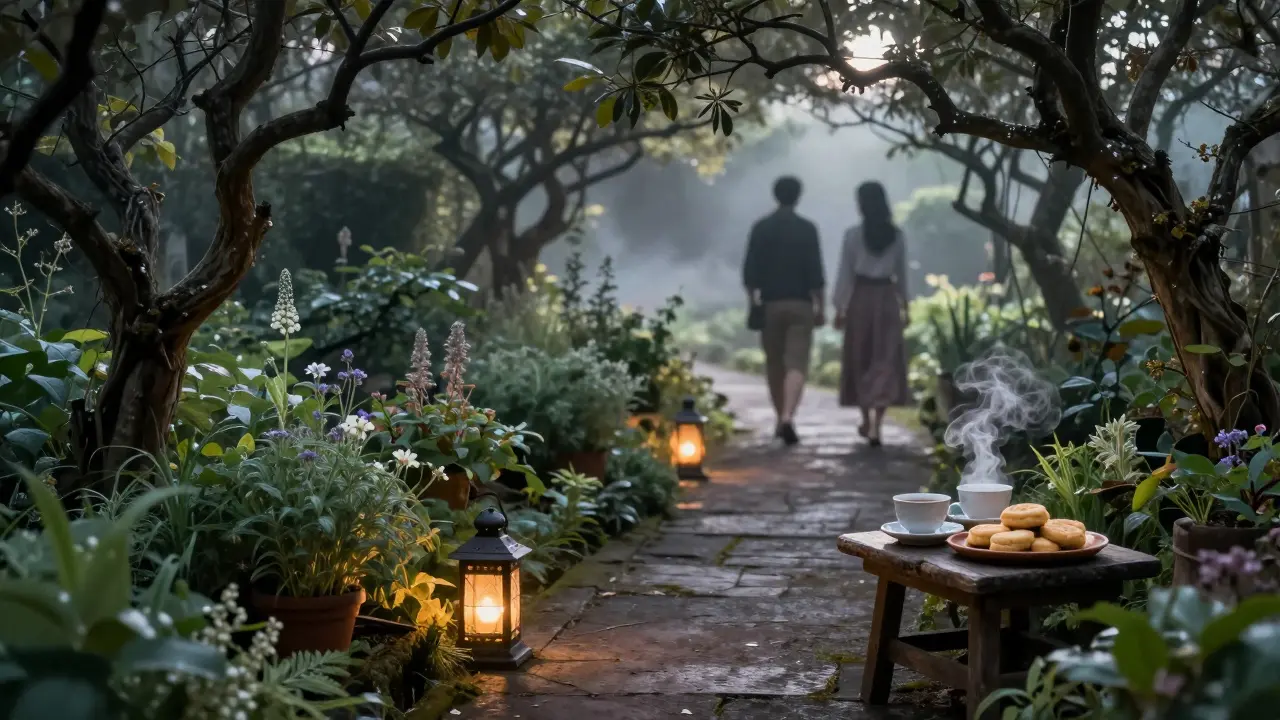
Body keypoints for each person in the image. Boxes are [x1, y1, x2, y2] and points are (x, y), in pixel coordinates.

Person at [743, 176, 826, 446]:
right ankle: (789, 415)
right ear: (798, 196)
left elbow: (750, 272)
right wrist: (821, 306)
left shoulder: (761, 228)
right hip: (801, 304)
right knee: (797, 364)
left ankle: (780, 417)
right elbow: (816, 273)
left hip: (770, 304)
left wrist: (752, 302)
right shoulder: (807, 229)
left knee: (774, 364)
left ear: (775, 195)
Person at [832, 181, 911, 447]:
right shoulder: (896, 236)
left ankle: (866, 419)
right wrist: (906, 306)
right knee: (885, 360)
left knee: (861, 357)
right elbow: (901, 274)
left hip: (861, 299)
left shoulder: (852, 235)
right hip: (887, 298)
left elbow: (845, 273)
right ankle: (878, 424)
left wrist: (840, 307)